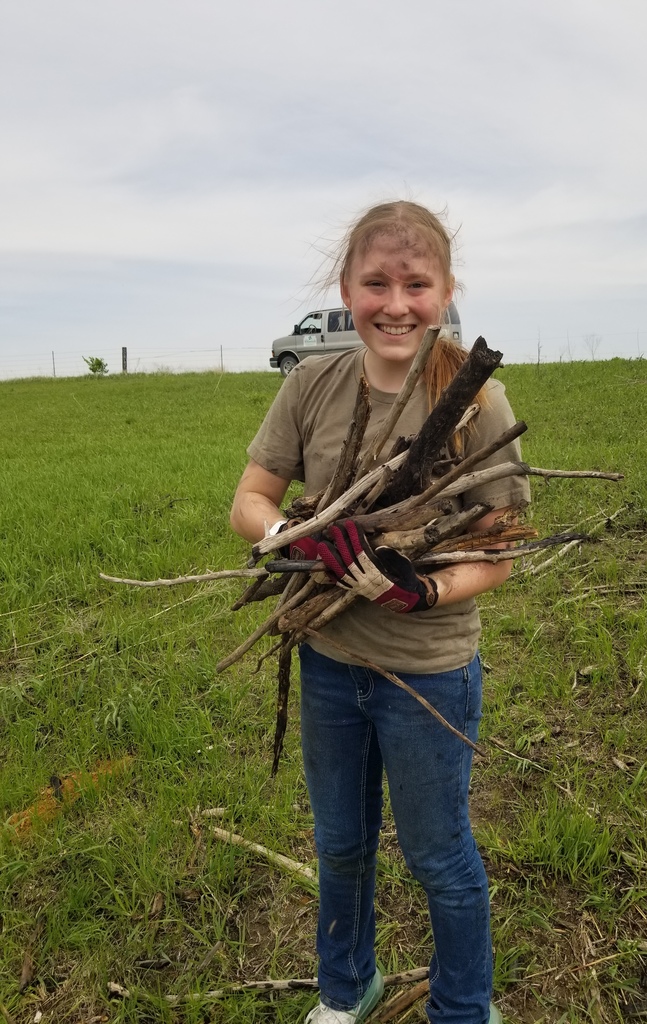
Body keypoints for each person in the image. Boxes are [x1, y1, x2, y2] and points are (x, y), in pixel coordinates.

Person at [230, 200, 530, 1024]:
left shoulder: (478, 399)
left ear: (445, 291)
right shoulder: (311, 384)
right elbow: (249, 501)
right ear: (346, 289)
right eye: (376, 283)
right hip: (330, 664)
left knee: (439, 855)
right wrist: (295, 534)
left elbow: (501, 548)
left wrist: (422, 590)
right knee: (340, 846)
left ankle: (464, 1009)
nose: (395, 304)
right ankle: (346, 989)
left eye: (416, 284)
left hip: (427, 673)